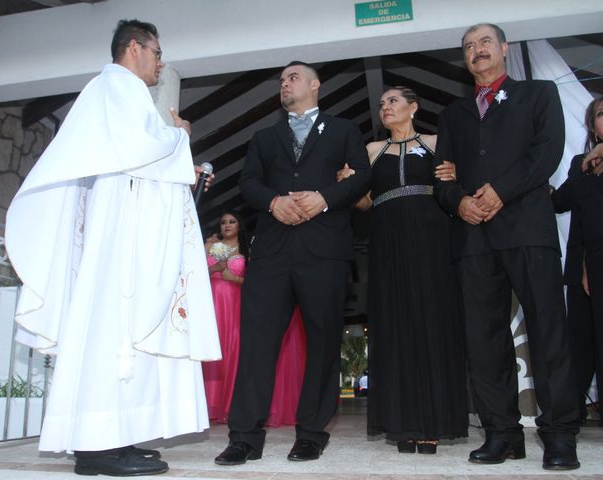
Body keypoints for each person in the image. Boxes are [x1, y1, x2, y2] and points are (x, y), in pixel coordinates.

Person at [5, 20, 221, 477]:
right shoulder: (114, 87)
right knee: (114, 335)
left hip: (125, 234)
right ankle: (97, 449)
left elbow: (140, 159)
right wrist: (180, 134)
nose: (160, 63)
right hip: (119, 243)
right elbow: (140, 148)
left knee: (122, 337)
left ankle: (113, 439)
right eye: (157, 53)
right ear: (134, 48)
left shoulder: (120, 94)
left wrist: (183, 159)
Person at [434, 23, 581, 470]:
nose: (476, 51)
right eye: (468, 47)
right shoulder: (453, 114)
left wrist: (500, 190)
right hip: (473, 235)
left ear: (504, 48)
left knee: (548, 332)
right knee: (483, 339)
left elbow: (547, 152)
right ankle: (502, 433)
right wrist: (459, 202)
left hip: (527, 228)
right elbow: (442, 177)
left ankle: (559, 436)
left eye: (484, 43)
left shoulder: (538, 94)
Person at [214, 61, 371, 465]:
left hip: (326, 252)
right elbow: (247, 182)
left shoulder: (344, 131)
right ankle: (244, 437)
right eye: (282, 80)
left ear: (315, 85)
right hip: (271, 253)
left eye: (293, 77)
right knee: (256, 344)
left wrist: (325, 198)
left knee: (323, 344)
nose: (285, 83)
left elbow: (362, 178)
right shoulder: (264, 137)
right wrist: (272, 201)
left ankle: (311, 433)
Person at [338, 87, 467, 454]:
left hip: (434, 242)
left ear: (414, 106)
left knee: (434, 325)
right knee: (396, 328)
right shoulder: (371, 151)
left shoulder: (436, 142)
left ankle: (434, 423)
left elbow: (455, 181)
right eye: (381, 104)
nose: (385, 108)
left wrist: (459, 171)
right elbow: (364, 202)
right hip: (388, 244)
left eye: (393, 101)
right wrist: (345, 184)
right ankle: (402, 425)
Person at [203, 211, 307, 426]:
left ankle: (232, 404)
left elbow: (256, 280)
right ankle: (209, 403)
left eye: (232, 221)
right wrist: (214, 267)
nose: (227, 225)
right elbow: (194, 273)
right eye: (223, 222)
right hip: (211, 305)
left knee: (235, 351)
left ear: (240, 225)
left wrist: (235, 278)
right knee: (211, 353)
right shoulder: (212, 246)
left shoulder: (247, 249)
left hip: (235, 305)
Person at [551, 97, 603, 425]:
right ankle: (571, 414)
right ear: (592, 125)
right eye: (601, 113)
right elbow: (560, 202)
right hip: (585, 265)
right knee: (581, 343)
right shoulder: (580, 164)